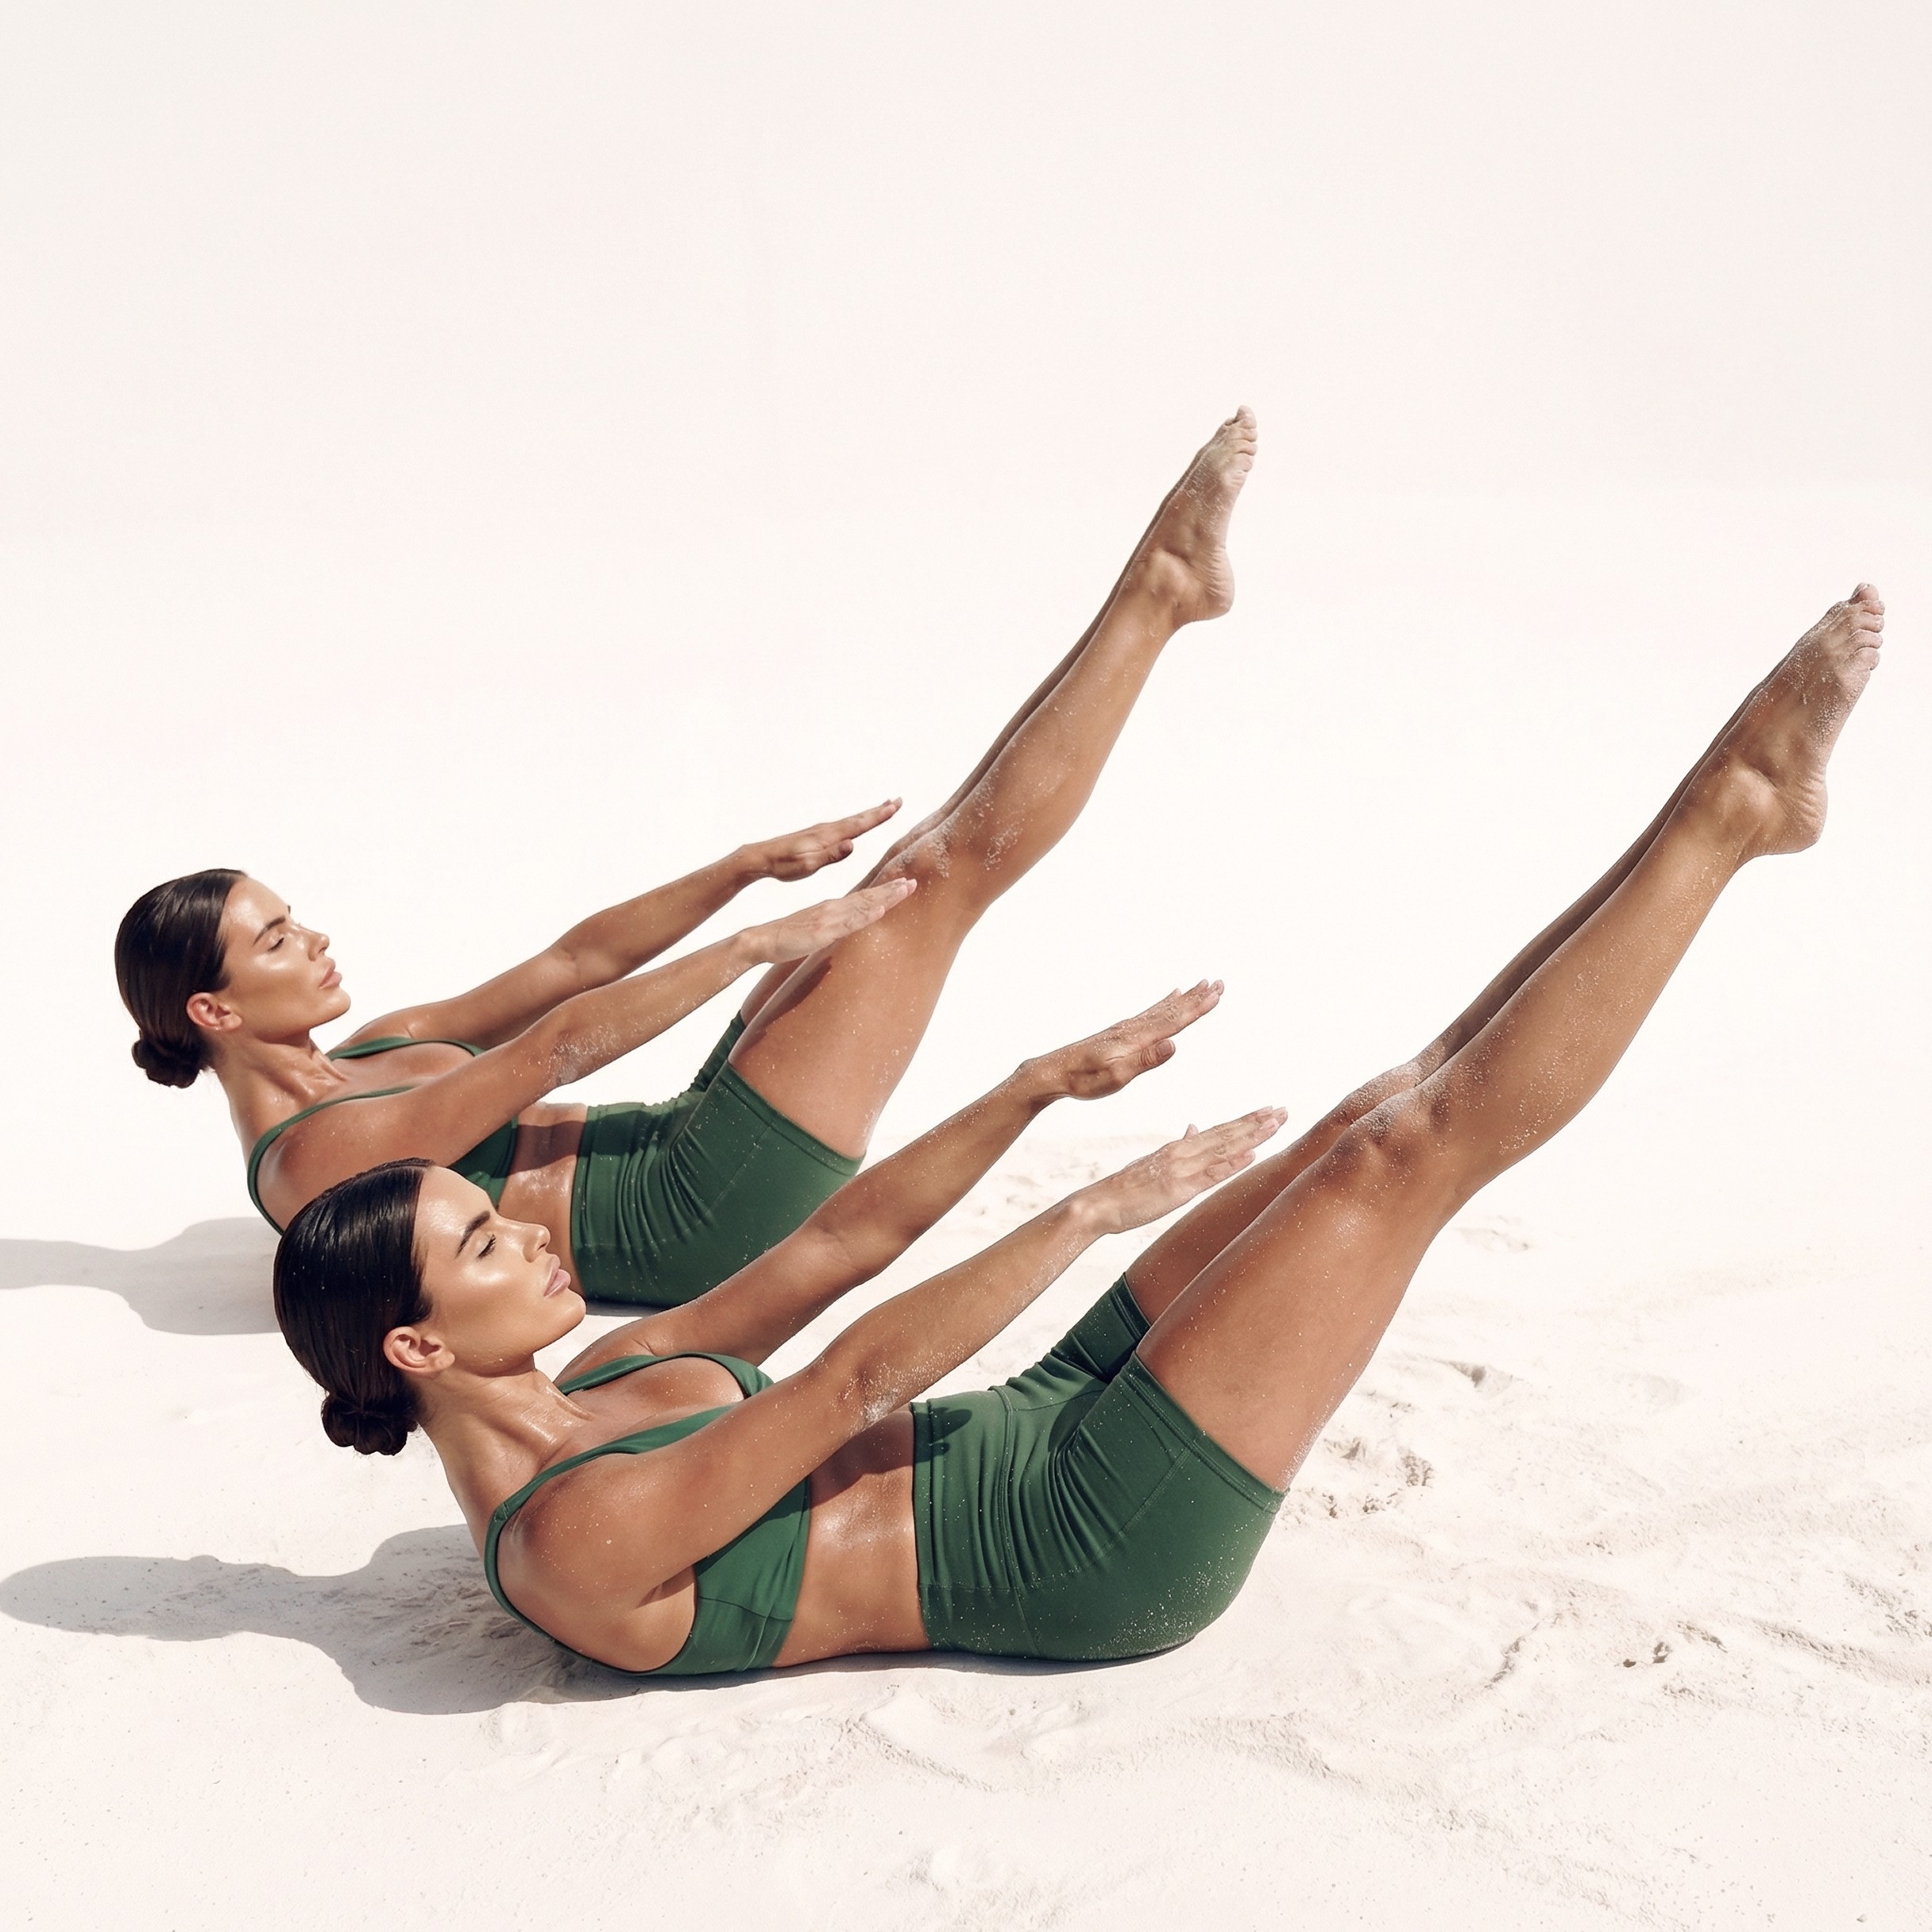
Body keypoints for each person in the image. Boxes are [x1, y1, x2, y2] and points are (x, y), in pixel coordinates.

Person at [271, 586, 1885, 1675]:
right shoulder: (571, 1536)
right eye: (483, 1240)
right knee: (1397, 1162)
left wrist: (1032, 1087)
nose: (529, 1229)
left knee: (1364, 1114)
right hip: (1079, 1537)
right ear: (414, 1349)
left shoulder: (604, 1389)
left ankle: (1734, 810)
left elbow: (835, 1251)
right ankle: (1735, 813)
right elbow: (853, 1376)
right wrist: (1086, 1211)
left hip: (1038, 1418)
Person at [114, 409, 1259, 1306]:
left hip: (684, 1134)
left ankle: (1153, 590)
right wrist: (758, 945)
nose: (312, 938)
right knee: (945, 883)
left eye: (292, 917)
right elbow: (555, 1049)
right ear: (212, 1011)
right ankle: (1160, 593)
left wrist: (745, 869)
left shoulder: (370, 1054)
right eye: (273, 939)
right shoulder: (307, 1167)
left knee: (919, 863)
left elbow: (571, 966)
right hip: (700, 1212)